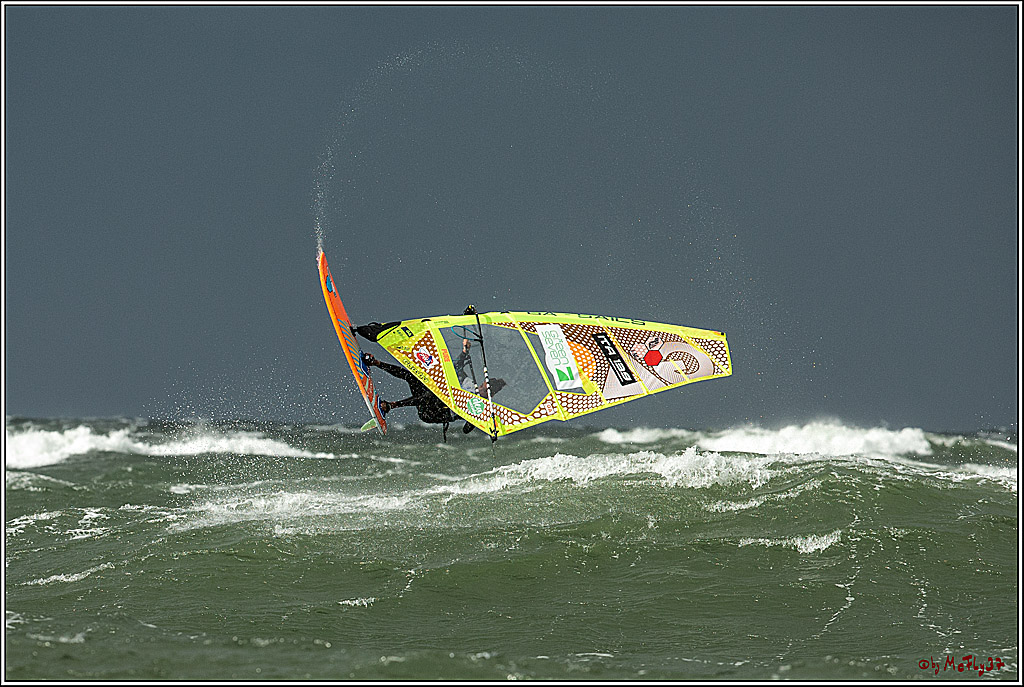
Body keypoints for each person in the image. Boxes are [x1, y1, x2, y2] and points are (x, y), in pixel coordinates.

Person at [359, 336, 506, 438]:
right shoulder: (468, 383)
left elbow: (466, 430)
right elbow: (456, 368)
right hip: (427, 399)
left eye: (487, 391)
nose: (483, 390)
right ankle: (375, 363)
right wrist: (464, 352)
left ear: (491, 396)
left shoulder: (480, 407)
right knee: (413, 376)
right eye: (484, 386)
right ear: (482, 383)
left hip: (432, 414)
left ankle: (390, 406)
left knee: (433, 394)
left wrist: (476, 421)